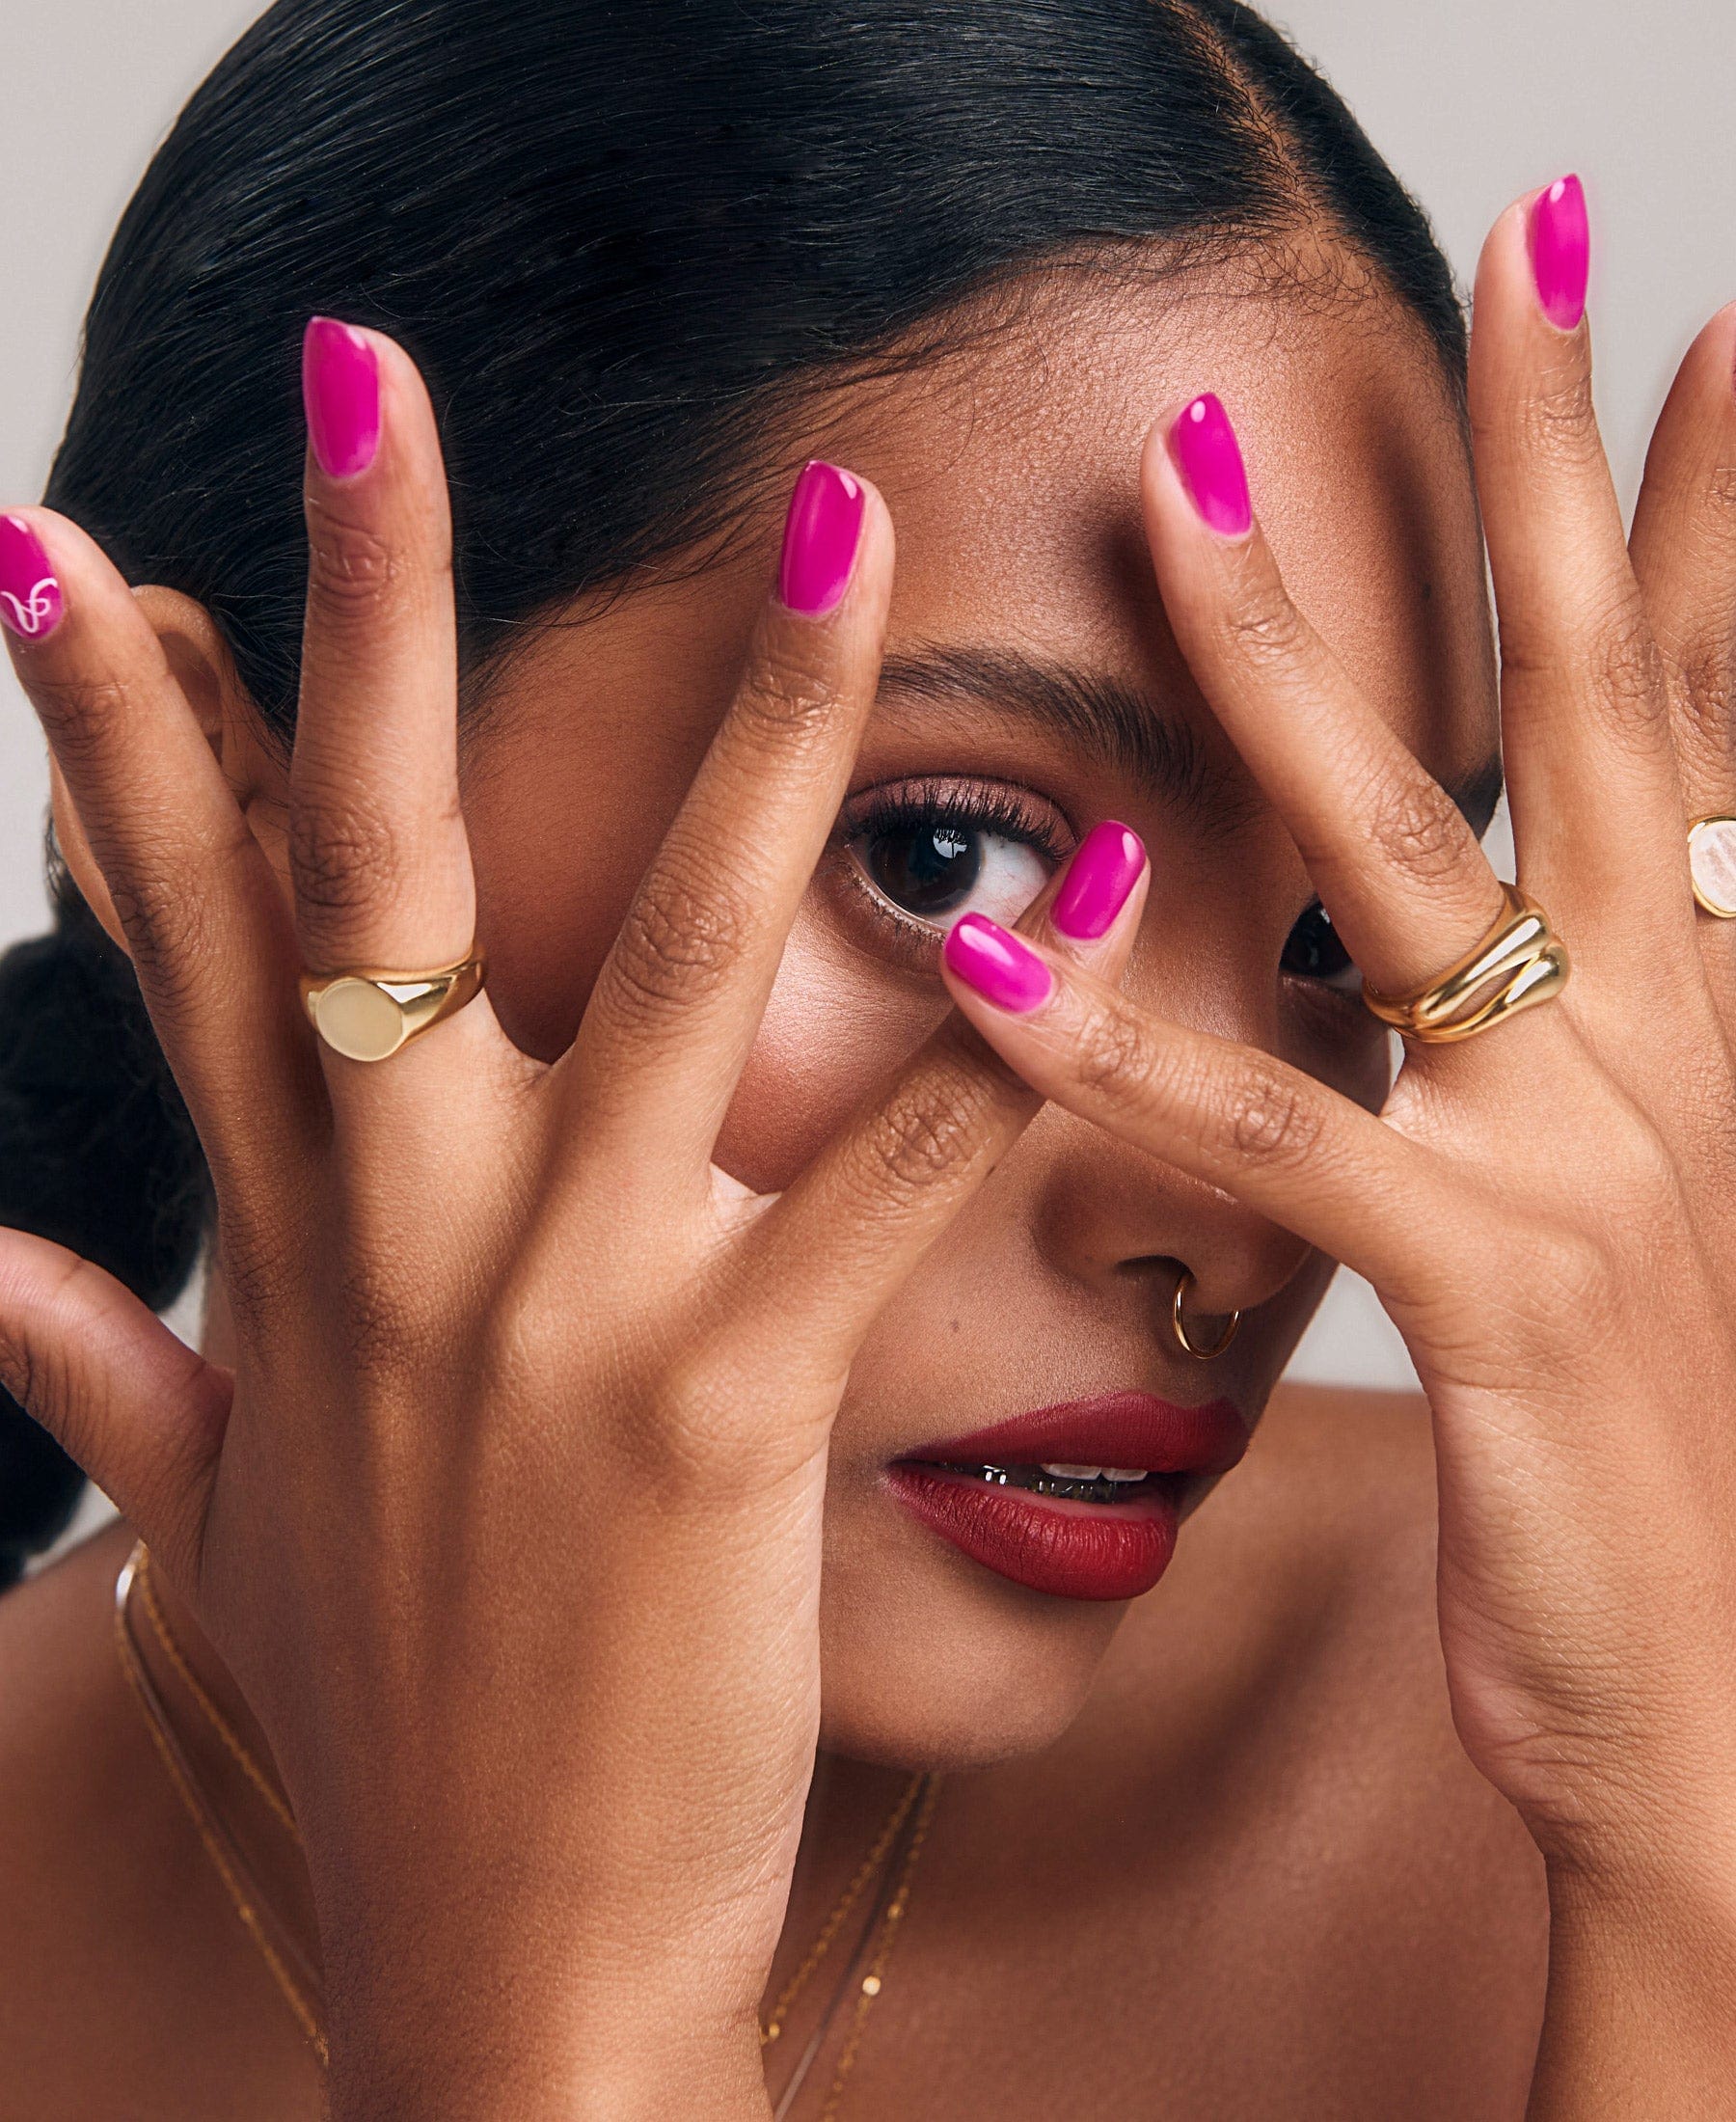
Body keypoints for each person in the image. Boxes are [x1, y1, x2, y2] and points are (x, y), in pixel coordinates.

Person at [4, 0, 1736, 2113]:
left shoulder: (1588, 1782)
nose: (1239, 1213)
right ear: (212, 811)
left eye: (1338, 931)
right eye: (943, 853)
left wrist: (1690, 1885)